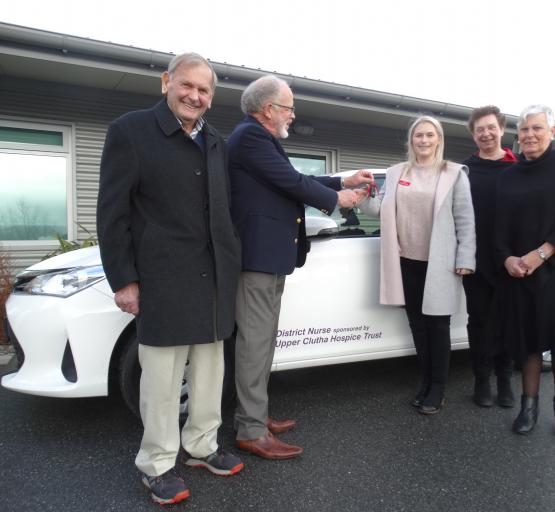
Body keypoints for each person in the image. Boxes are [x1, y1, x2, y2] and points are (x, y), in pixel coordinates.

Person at [97, 53, 243, 505]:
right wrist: (123, 279)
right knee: (161, 380)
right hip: (163, 279)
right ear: (166, 83)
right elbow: (112, 213)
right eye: (187, 86)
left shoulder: (215, 140)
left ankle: (201, 446)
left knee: (209, 372)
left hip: (215, 279)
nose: (195, 96)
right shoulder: (130, 131)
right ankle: (156, 463)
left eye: (204, 91)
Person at [228, 75, 372, 459]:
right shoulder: (251, 138)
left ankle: (254, 415)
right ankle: (251, 429)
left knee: (263, 342)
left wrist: (344, 180)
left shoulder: (261, 140)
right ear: (268, 109)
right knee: (255, 345)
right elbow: (291, 182)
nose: (293, 114)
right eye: (289, 107)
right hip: (256, 259)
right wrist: (338, 198)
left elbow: (294, 181)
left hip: (268, 258)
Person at [360, 115, 475, 415]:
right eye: (418, 136)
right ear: (411, 141)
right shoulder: (398, 172)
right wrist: (362, 196)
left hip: (441, 263)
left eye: (429, 135)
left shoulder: (453, 173)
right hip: (405, 261)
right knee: (418, 327)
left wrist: (465, 258)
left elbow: (465, 220)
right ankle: (425, 381)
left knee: (437, 327)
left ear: (439, 139)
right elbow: (381, 209)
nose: (423, 140)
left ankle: (438, 387)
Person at [495, 105, 555, 442]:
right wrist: (507, 258)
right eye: (524, 130)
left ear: (552, 131)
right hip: (520, 271)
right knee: (528, 340)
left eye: (537, 128)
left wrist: (541, 253)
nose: (530, 135)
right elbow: (497, 228)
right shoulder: (507, 176)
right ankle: (529, 407)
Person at [462, 106, 517, 408]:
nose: (486, 133)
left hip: (511, 259)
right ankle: (482, 380)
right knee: (479, 321)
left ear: (501, 129)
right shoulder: (465, 170)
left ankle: (505, 379)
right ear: (473, 134)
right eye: (479, 129)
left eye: (490, 127)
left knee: (508, 320)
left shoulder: (518, 166)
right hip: (476, 259)